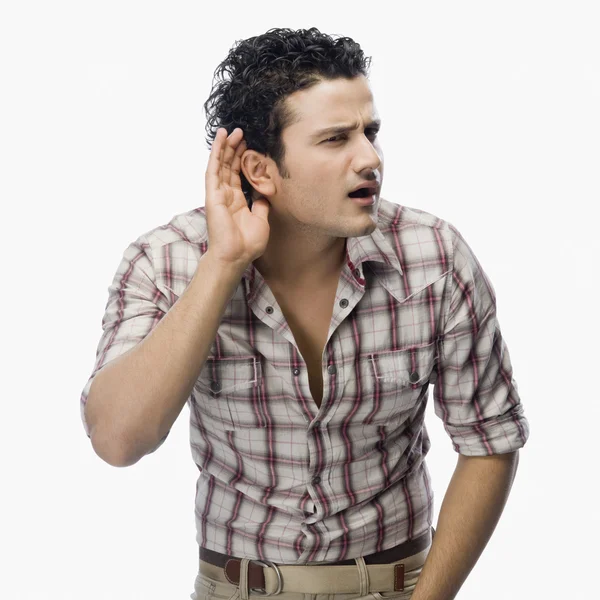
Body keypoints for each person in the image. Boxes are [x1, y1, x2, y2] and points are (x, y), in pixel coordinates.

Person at [80, 27, 530, 600]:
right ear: (260, 170)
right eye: (336, 139)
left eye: (370, 132)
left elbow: (490, 439)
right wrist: (223, 264)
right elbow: (118, 440)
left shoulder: (435, 258)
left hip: (402, 585)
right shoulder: (165, 261)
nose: (370, 157)